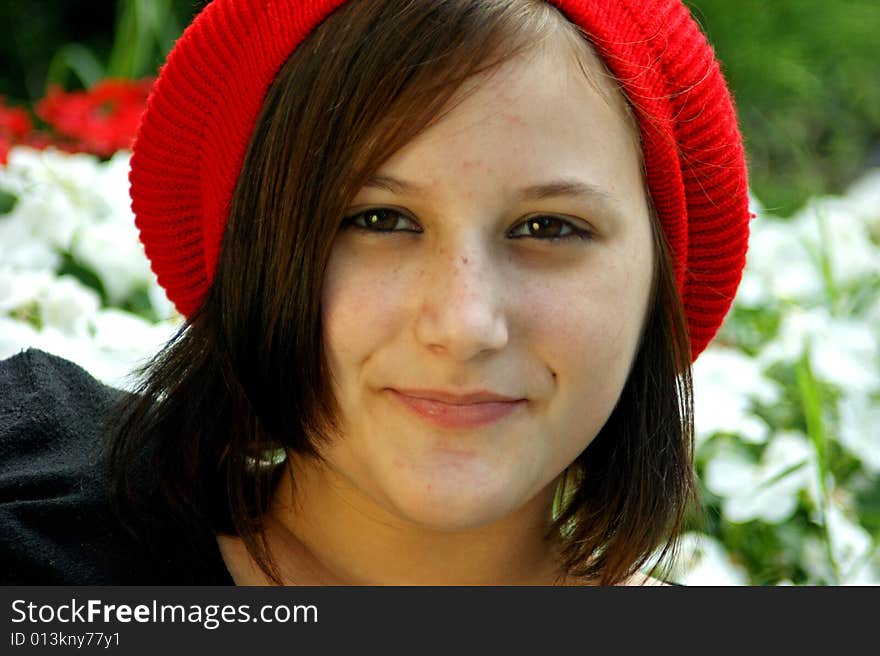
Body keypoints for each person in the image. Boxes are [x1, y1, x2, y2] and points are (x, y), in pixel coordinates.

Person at [0, 0, 749, 585]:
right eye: (379, 219)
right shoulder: (32, 519)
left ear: (661, 284)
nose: (464, 325)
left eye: (549, 227)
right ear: (253, 250)